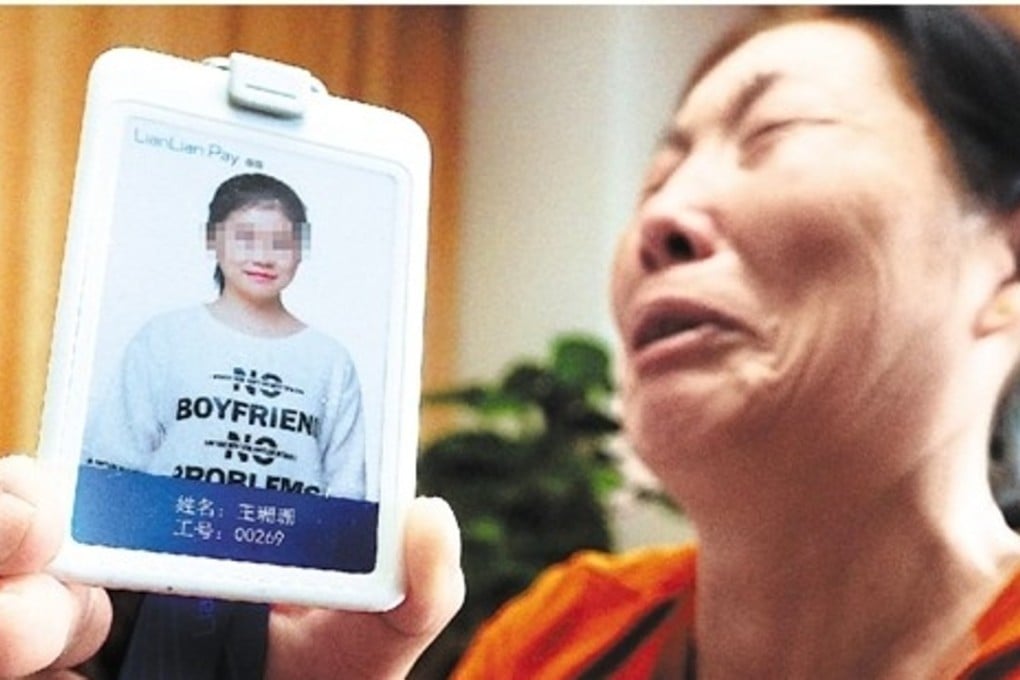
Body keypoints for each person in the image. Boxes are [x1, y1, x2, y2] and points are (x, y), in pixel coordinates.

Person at [451, 6, 1020, 678]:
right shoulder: (551, 643)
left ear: (1007, 266)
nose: (659, 220)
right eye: (656, 179)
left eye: (776, 134)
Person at [85, 172, 368, 500]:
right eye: (245, 237)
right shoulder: (165, 338)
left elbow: (348, 491)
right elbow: (114, 461)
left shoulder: (331, 360)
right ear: (212, 238)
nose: (263, 256)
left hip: (290, 544)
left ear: (300, 250)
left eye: (280, 242)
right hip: (168, 538)